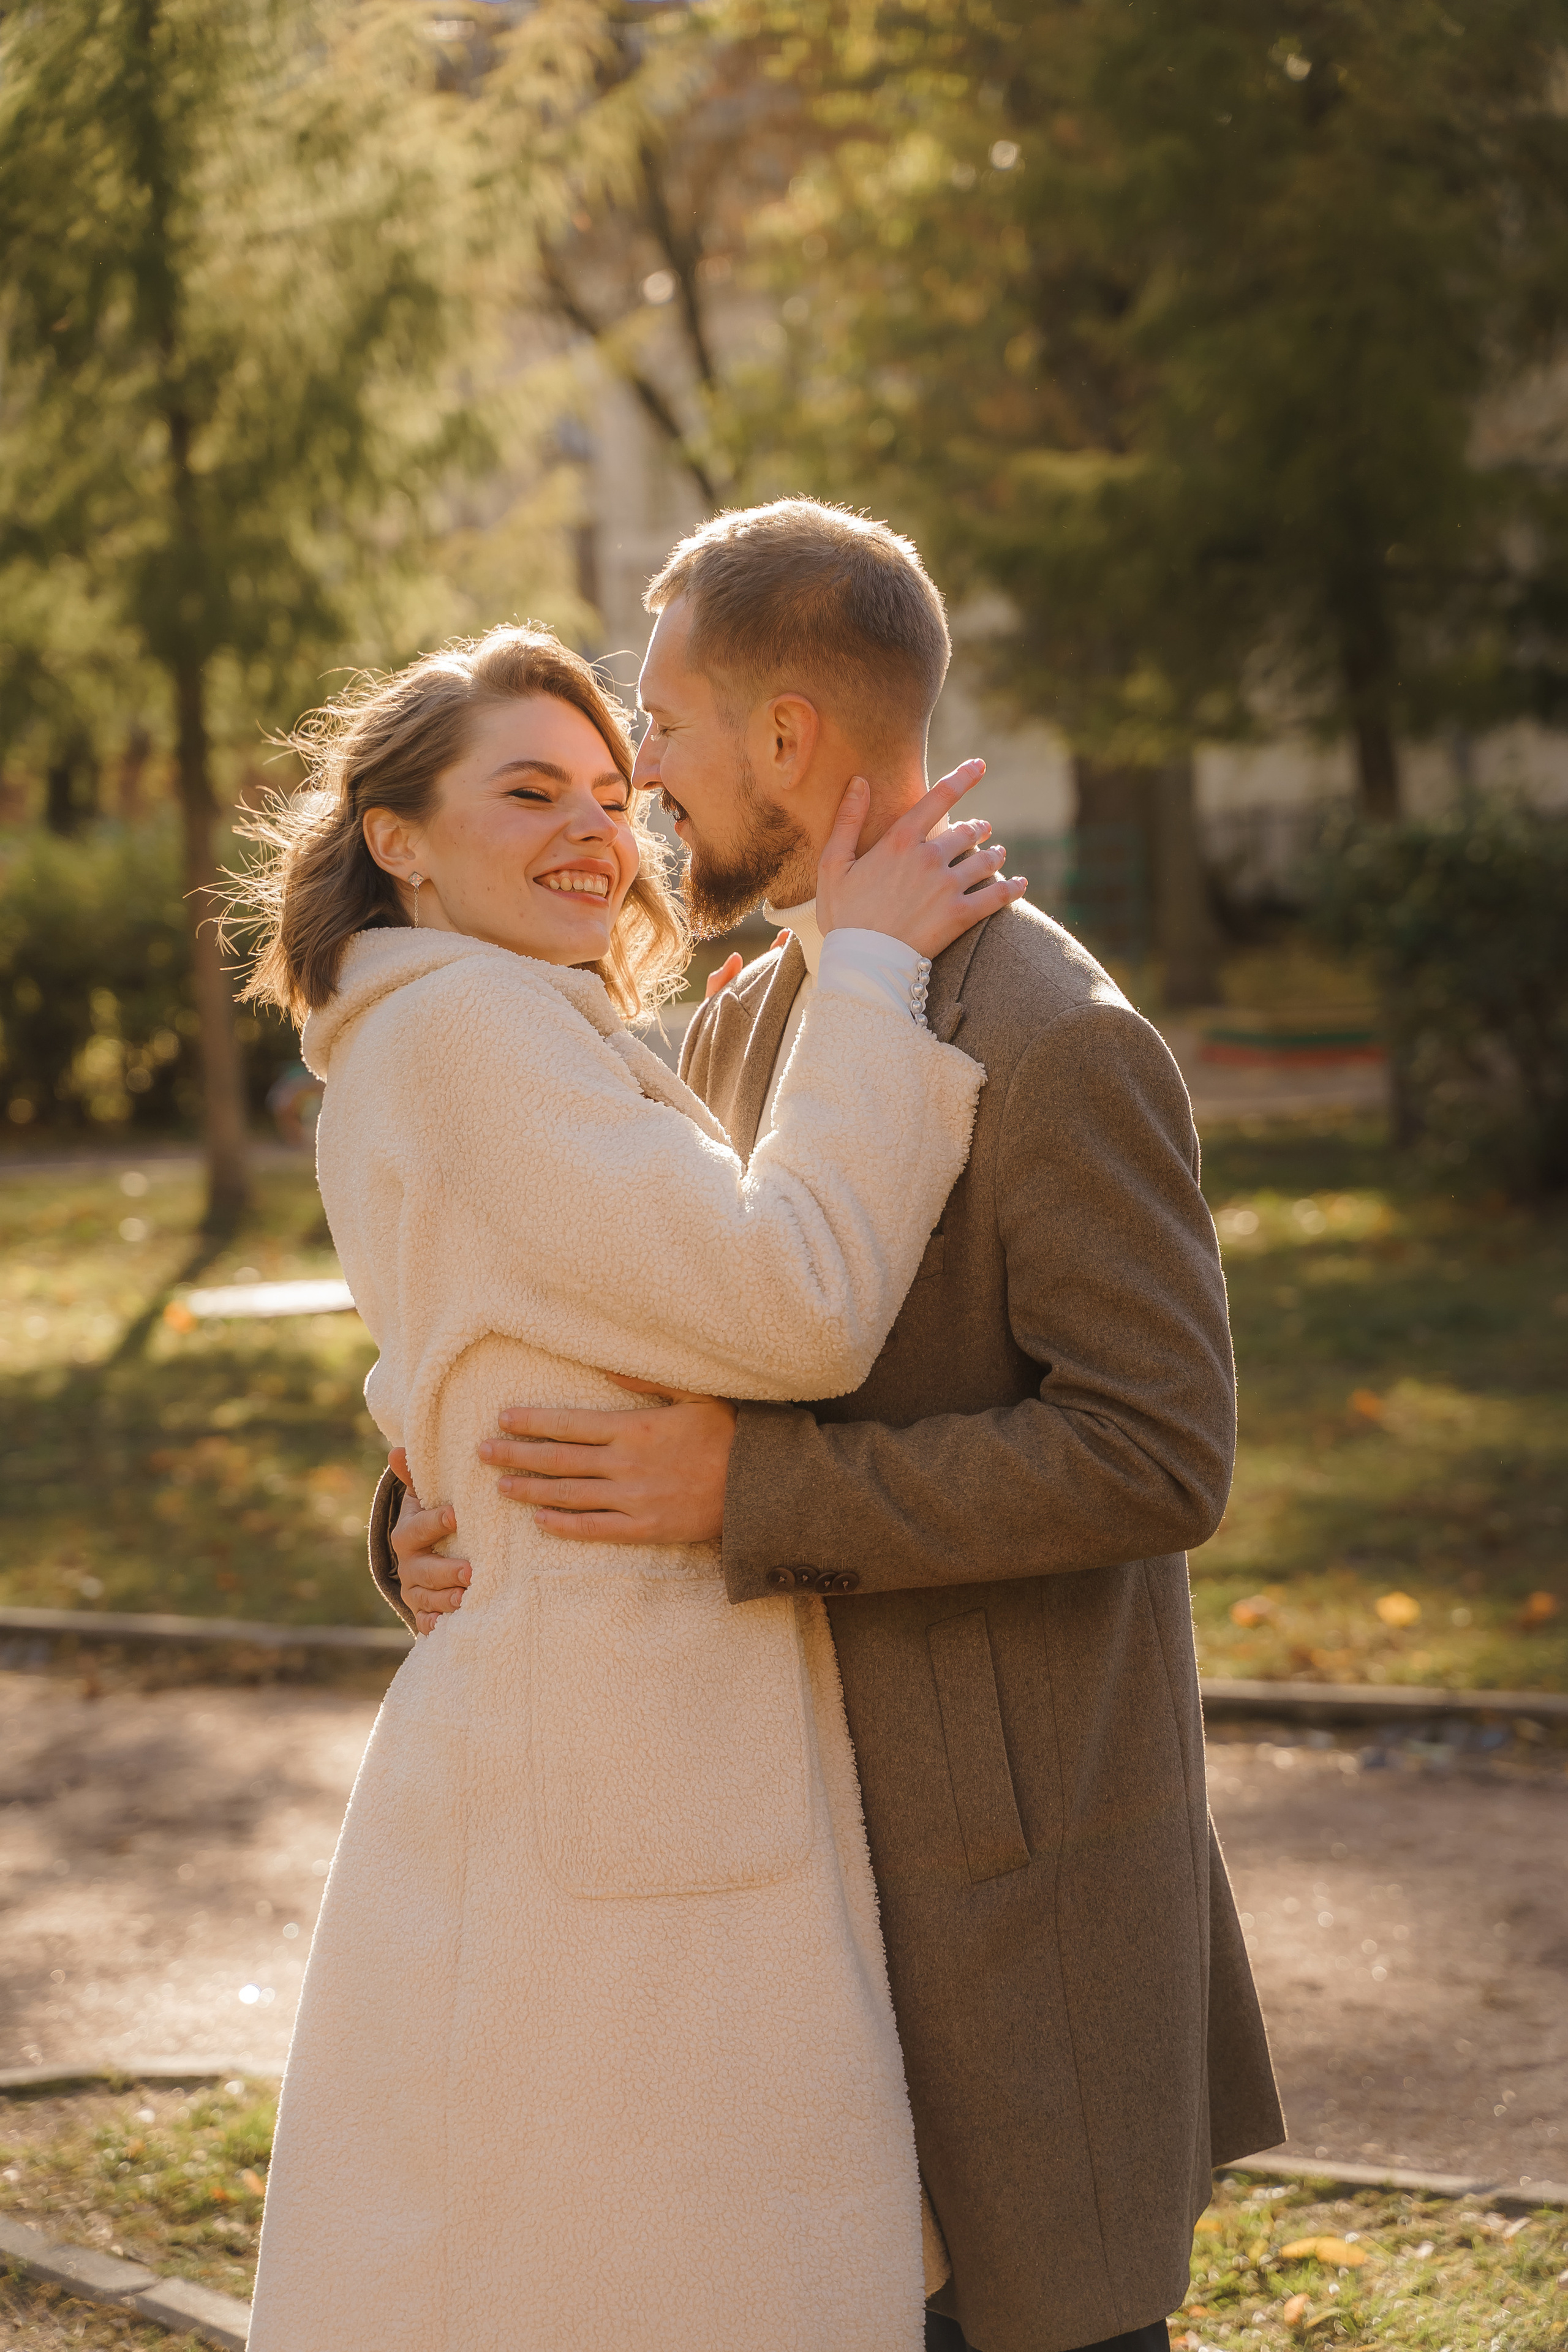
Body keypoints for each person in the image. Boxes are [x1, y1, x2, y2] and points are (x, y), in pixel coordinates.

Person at [377, 501, 1286, 2352]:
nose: (640, 777)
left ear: (786, 737)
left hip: (1007, 1895)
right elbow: (639, 1301)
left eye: (661, 726)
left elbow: (1159, 1451)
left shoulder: (1053, 1032)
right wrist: (423, 1497)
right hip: (782, 1884)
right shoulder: (749, 1016)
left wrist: (758, 1487)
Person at [238, 621, 1021, 2352]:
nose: (597, 828)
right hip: (620, 1742)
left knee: (543, 2252)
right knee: (637, 2267)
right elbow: (795, 1306)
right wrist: (872, 974)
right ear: (397, 836)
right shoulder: (470, 1033)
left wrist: (422, 1491)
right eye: (529, 792)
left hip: (596, 1722)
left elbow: (460, 1347)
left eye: (610, 790)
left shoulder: (460, 1028)